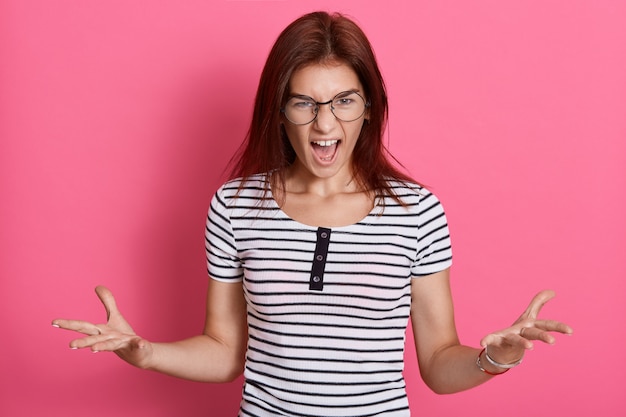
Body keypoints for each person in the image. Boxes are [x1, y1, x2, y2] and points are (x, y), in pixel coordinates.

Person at [52, 11, 573, 416]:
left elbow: (438, 365)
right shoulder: (234, 207)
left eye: (344, 100)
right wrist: (146, 353)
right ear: (279, 113)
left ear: (369, 108)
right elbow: (225, 351)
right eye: (303, 103)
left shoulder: (416, 212)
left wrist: (495, 358)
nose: (324, 123)